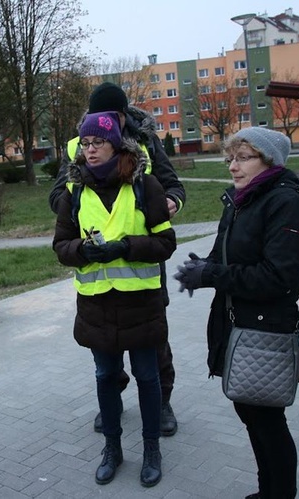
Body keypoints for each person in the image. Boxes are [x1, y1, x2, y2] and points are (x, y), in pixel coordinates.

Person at [173, 127, 299, 499]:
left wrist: (213, 275)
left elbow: (279, 278)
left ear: (269, 161)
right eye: (230, 159)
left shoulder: (287, 203)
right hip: (238, 323)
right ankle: (267, 490)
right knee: (251, 414)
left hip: (265, 330)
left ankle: (280, 494)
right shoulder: (243, 199)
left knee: (267, 421)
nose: (233, 167)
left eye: (243, 157)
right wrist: (201, 267)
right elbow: (231, 257)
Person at [49, 81, 185, 437]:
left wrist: (168, 201)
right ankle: (113, 399)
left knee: (153, 336)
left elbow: (173, 184)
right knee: (105, 339)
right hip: (97, 264)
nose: (92, 148)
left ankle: (162, 401)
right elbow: (58, 193)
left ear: (124, 115)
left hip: (143, 256)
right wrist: (73, 209)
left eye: (113, 116)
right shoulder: (80, 144)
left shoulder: (145, 140)